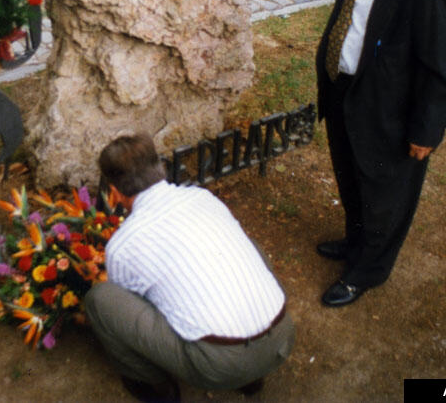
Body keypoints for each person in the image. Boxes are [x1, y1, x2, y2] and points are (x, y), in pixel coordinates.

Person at [314, 0, 446, 307]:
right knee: (351, 174)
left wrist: (428, 128)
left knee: (385, 191)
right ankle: (354, 241)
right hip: (349, 89)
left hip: (392, 107)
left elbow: (442, 57)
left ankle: (368, 270)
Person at [85, 134, 294, 403]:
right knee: (247, 246)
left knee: (101, 300)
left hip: (219, 365)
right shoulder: (202, 197)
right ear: (160, 169)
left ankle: (155, 386)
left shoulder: (123, 244)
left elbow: (132, 302)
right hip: (283, 337)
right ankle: (253, 379)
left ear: (114, 193)